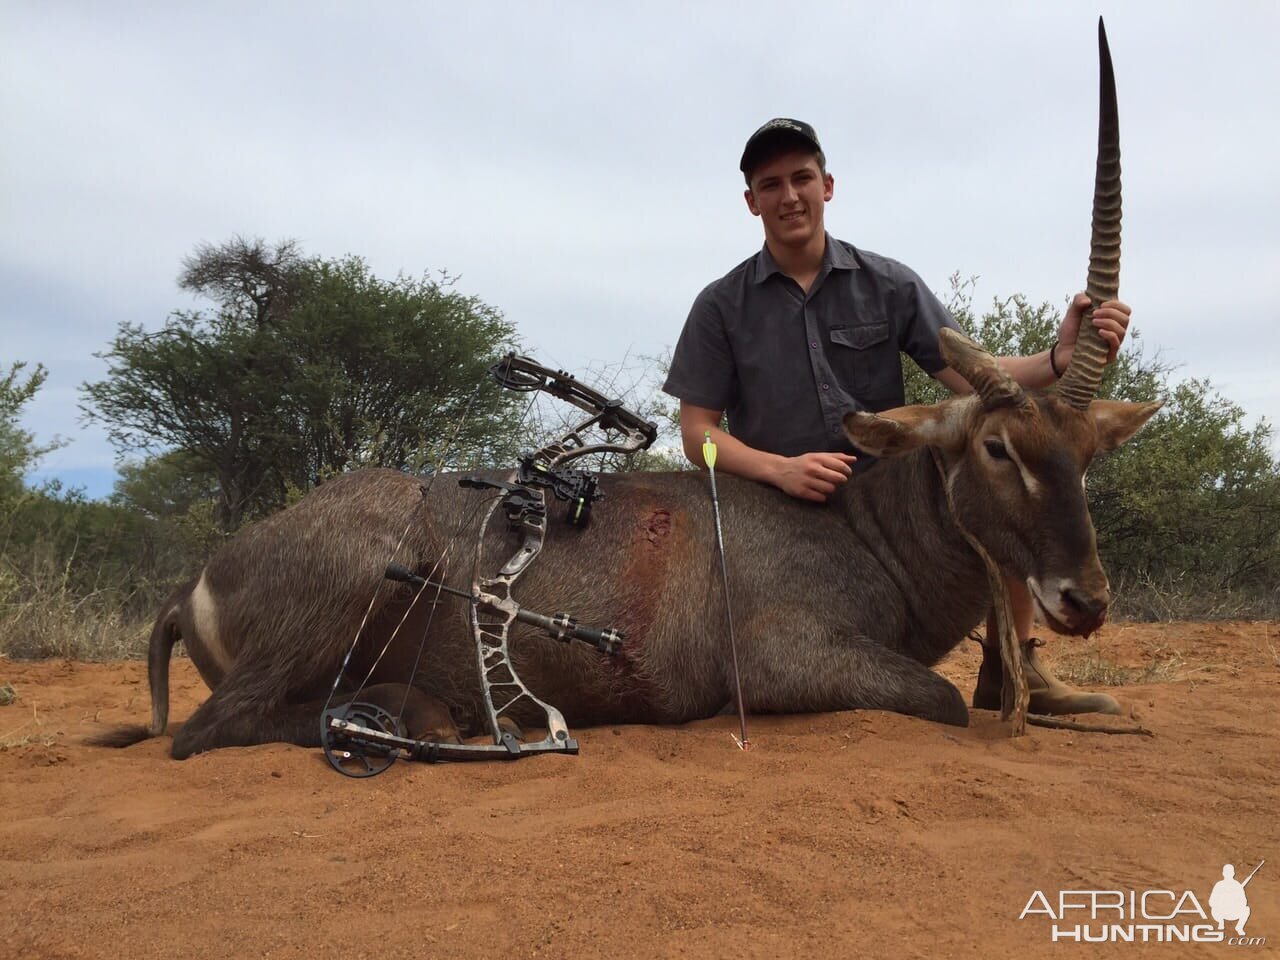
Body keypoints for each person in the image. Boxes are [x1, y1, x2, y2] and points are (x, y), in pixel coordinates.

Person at [662, 118, 1131, 713]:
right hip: (776, 512)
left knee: (1007, 458)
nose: (790, 196)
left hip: (884, 502)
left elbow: (976, 382)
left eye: (801, 178)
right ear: (752, 201)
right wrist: (779, 470)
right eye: (772, 184)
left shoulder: (889, 284)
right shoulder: (720, 305)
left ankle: (1017, 666)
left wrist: (1057, 358)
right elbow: (696, 435)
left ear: (827, 185)